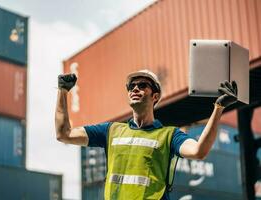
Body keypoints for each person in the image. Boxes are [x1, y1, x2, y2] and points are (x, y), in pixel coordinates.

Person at [55, 69, 238, 200]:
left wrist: (218, 108)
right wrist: (62, 91)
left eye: (142, 85)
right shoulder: (111, 131)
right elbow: (64, 134)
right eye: (131, 86)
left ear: (155, 96)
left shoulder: (169, 135)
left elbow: (199, 150)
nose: (135, 89)